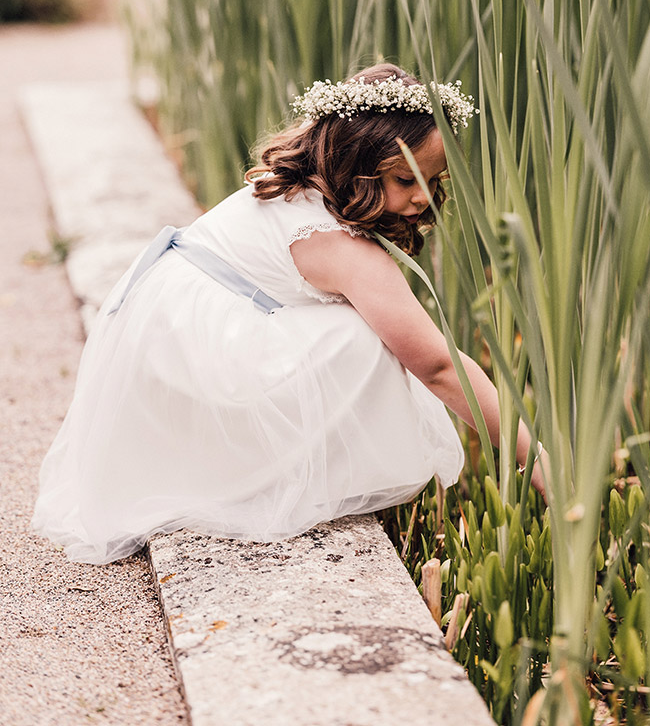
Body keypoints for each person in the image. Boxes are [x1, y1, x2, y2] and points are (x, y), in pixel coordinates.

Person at [32, 62, 546, 565]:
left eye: (434, 180)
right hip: (192, 359)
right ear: (357, 161)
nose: (422, 198)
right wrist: (536, 458)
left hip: (167, 342)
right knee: (366, 338)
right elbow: (437, 365)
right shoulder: (336, 245)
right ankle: (281, 475)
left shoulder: (295, 188)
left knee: (367, 330)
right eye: (403, 179)